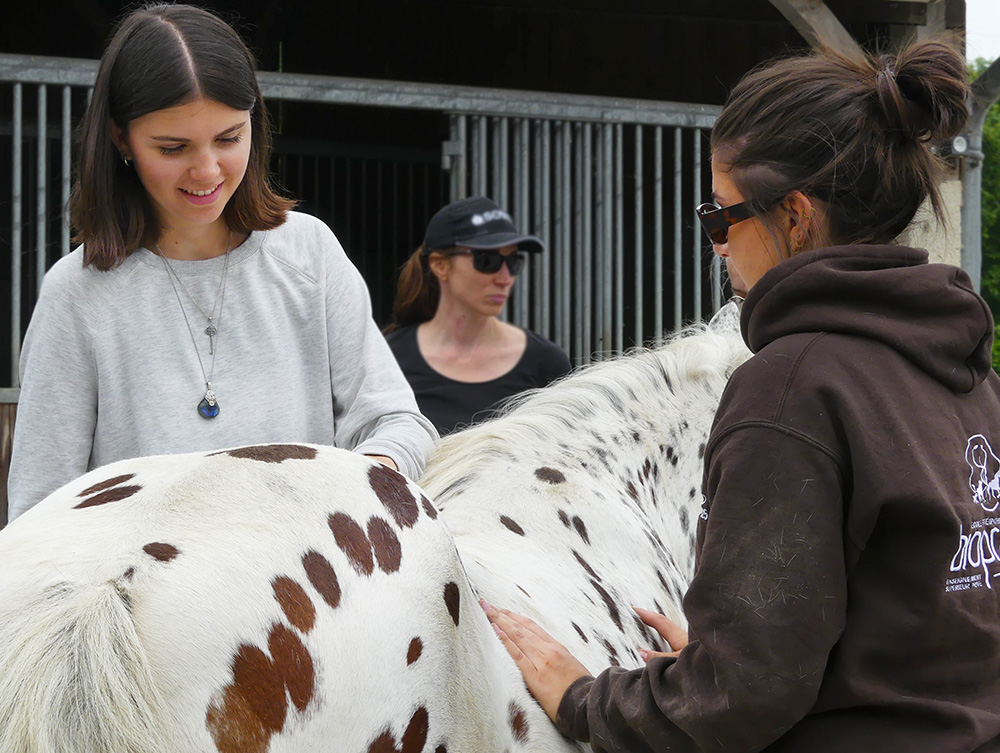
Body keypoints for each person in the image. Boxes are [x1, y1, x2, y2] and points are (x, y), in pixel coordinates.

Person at [484, 37, 1000, 752]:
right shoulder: (967, 371)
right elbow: (922, 624)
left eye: (719, 216)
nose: (717, 244)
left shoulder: (792, 387)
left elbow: (739, 698)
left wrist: (581, 695)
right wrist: (745, 643)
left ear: (794, 215)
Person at [6, 4, 436, 521]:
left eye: (229, 138)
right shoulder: (75, 294)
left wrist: (368, 477)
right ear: (121, 138)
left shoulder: (310, 252)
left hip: (313, 588)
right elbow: (41, 512)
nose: (207, 171)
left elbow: (396, 421)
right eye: (172, 147)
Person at [384, 197, 571, 436]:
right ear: (440, 266)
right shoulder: (388, 359)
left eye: (513, 262)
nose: (505, 278)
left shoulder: (546, 364)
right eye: (487, 261)